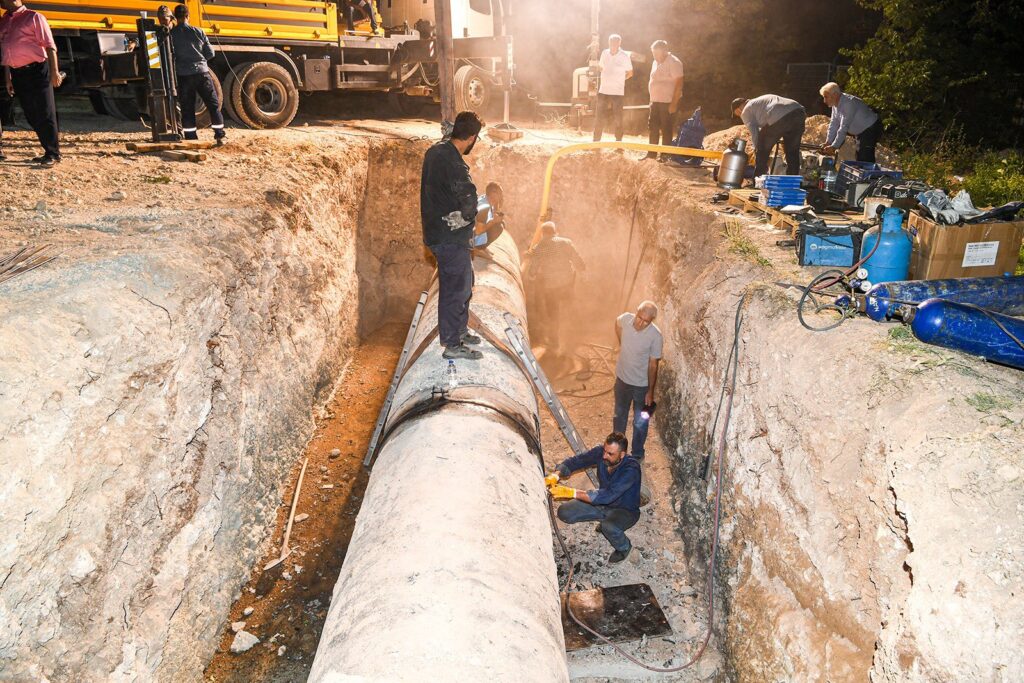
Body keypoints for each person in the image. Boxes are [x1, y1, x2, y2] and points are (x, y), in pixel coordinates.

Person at [420, 110, 485, 361]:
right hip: (450, 237)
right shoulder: (456, 165)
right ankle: (452, 344)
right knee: (455, 289)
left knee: (465, 283)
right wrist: (468, 216)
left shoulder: (436, 152)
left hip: (436, 232)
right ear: (472, 138)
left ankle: (459, 329)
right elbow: (469, 200)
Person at [546, 432, 642, 563]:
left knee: (609, 527)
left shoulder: (631, 469)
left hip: (624, 510)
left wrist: (572, 493)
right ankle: (603, 520)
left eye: (610, 454)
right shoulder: (601, 453)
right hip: (602, 504)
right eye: (605, 451)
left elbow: (609, 495)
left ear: (622, 454)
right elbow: (577, 461)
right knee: (564, 512)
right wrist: (556, 475)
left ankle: (625, 548)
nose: (604, 456)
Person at [0, 0, 62, 166]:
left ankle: (53, 153)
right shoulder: (4, 21)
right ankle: (48, 151)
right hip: (17, 73)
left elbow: (50, 46)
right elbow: (6, 52)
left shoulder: (34, 17)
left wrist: (54, 72)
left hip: (38, 70)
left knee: (45, 111)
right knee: (31, 114)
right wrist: (8, 79)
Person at [523, 221, 585, 351]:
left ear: (543, 233)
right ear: (555, 231)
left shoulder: (540, 246)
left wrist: (531, 276)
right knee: (569, 306)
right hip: (567, 282)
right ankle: (574, 337)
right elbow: (577, 259)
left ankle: (554, 342)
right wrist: (582, 270)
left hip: (551, 286)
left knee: (553, 313)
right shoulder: (565, 242)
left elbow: (534, 267)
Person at [613, 301, 662, 460]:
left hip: (641, 386)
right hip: (622, 380)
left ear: (651, 320)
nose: (640, 323)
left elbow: (653, 365)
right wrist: (621, 342)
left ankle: (637, 454)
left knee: (640, 422)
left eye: (645, 321)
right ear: (636, 312)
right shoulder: (626, 319)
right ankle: (617, 449)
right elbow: (617, 322)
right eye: (639, 317)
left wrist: (650, 391)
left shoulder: (655, 336)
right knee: (620, 415)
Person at [170, 5, 225, 144]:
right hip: (202, 73)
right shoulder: (198, 31)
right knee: (213, 105)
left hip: (184, 75)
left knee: (187, 108)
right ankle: (219, 135)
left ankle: (191, 138)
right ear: (188, 16)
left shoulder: (171, 34)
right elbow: (210, 53)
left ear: (175, 18)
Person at [731, 94, 806, 178]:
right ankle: (792, 182)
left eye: (737, 113)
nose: (740, 115)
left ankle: (758, 181)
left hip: (778, 114)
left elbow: (755, 133)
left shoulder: (746, 110)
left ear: (738, 109)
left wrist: (758, 149)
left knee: (762, 147)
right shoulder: (759, 102)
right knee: (792, 152)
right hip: (799, 112)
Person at [819, 82, 883, 163]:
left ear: (834, 94)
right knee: (860, 155)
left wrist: (834, 147)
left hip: (870, 127)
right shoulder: (835, 104)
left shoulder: (848, 103)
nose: (824, 101)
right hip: (862, 130)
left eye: (826, 97)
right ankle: (867, 173)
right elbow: (834, 124)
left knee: (864, 157)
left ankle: (871, 175)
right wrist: (828, 142)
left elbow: (843, 128)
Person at [646, 39, 683, 160]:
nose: (655, 56)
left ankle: (665, 155)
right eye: (653, 53)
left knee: (666, 128)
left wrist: (674, 103)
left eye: (657, 53)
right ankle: (651, 154)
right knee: (653, 127)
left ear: (665, 51)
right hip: (655, 101)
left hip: (667, 101)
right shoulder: (655, 62)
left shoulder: (674, 62)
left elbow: (679, 84)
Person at [592, 34, 632, 143]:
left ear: (619, 43)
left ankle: (618, 142)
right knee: (599, 117)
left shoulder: (624, 56)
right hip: (603, 90)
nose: (613, 45)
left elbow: (630, 73)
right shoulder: (604, 53)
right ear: (609, 43)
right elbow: (601, 67)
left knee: (618, 118)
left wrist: (619, 81)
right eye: (611, 42)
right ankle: (596, 141)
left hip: (617, 92)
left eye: (615, 43)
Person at [472, 181, 506, 249]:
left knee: (501, 222)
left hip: (470, 232)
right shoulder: (484, 207)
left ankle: (481, 247)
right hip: (468, 238)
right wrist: (493, 221)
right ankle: (476, 249)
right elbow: (478, 231)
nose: (502, 196)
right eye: (500, 193)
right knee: (498, 227)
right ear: (493, 193)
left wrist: (497, 204)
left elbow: (493, 214)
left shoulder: (485, 197)